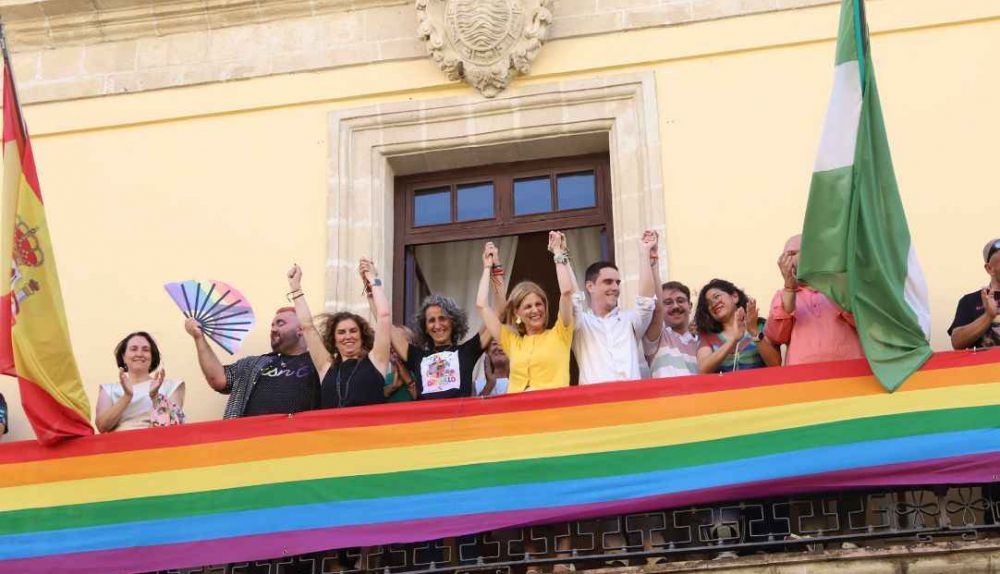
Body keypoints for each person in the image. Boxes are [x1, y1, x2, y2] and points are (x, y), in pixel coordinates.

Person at [477, 231, 576, 393]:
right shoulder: (512, 341)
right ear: (517, 313)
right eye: (528, 307)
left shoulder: (561, 333)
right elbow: (482, 305)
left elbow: (566, 292)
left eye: (539, 304)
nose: (535, 310)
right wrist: (489, 267)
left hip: (554, 406)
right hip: (518, 407)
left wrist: (558, 251)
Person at [287, 258, 391, 409]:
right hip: (331, 425)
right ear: (334, 339)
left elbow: (384, 316)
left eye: (353, 331)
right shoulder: (325, 366)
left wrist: (373, 278)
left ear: (362, 336)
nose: (348, 336)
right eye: (341, 332)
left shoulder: (377, 361)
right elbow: (307, 327)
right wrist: (295, 288)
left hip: (369, 425)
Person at [185, 306, 319, 419]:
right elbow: (218, 379)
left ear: (301, 329)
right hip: (249, 439)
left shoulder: (319, 365)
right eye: (272, 325)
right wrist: (199, 338)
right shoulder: (251, 364)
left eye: (281, 323)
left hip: (298, 439)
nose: (273, 329)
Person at [391, 270, 505, 400]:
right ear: (425, 328)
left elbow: (499, 311)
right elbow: (385, 323)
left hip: (460, 413)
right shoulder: (417, 357)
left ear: (453, 322)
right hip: (426, 414)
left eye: (442, 318)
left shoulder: (467, 351)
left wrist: (494, 268)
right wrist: (373, 282)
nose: (437, 325)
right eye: (431, 320)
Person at [571, 231, 658, 385]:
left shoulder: (629, 320)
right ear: (590, 286)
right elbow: (571, 297)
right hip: (595, 398)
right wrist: (561, 256)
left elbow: (646, 301)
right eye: (608, 282)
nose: (615, 287)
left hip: (630, 396)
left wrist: (645, 253)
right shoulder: (581, 323)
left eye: (617, 283)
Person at [764, 234, 864, 365]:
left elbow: (863, 323)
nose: (786, 261)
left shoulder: (840, 287)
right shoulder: (782, 295)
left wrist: (834, 285)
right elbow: (777, 336)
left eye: (792, 254)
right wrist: (789, 288)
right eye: (784, 256)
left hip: (850, 369)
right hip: (804, 373)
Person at [96, 331, 185, 432]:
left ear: (152, 357)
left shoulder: (171, 386)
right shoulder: (109, 389)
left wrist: (155, 397)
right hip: (119, 441)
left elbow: (175, 424)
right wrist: (127, 397)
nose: (139, 354)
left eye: (145, 350)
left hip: (156, 440)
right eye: (133, 349)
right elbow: (102, 427)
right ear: (123, 356)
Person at [695, 279, 781, 373]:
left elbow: (776, 364)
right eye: (708, 303)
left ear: (734, 297)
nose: (713, 304)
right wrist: (733, 340)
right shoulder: (707, 336)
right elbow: (703, 370)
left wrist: (754, 332)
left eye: (717, 296)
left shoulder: (761, 326)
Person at [949, 238, 1000, 350]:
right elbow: (957, 342)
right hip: (987, 362)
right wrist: (988, 316)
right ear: (989, 268)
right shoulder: (970, 301)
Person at [643, 280, 699, 378]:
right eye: (668, 303)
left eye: (680, 301)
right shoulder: (657, 339)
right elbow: (649, 303)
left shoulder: (702, 344)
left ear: (690, 306)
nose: (675, 306)